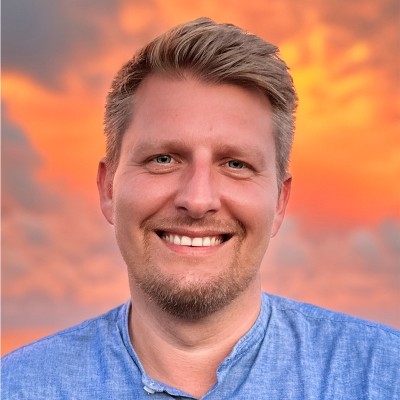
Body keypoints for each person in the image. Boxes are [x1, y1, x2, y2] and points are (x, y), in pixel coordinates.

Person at [2, 17, 399, 400]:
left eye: (236, 164)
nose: (197, 200)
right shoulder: (16, 387)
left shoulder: (384, 376)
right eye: (163, 159)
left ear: (280, 201)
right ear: (108, 188)